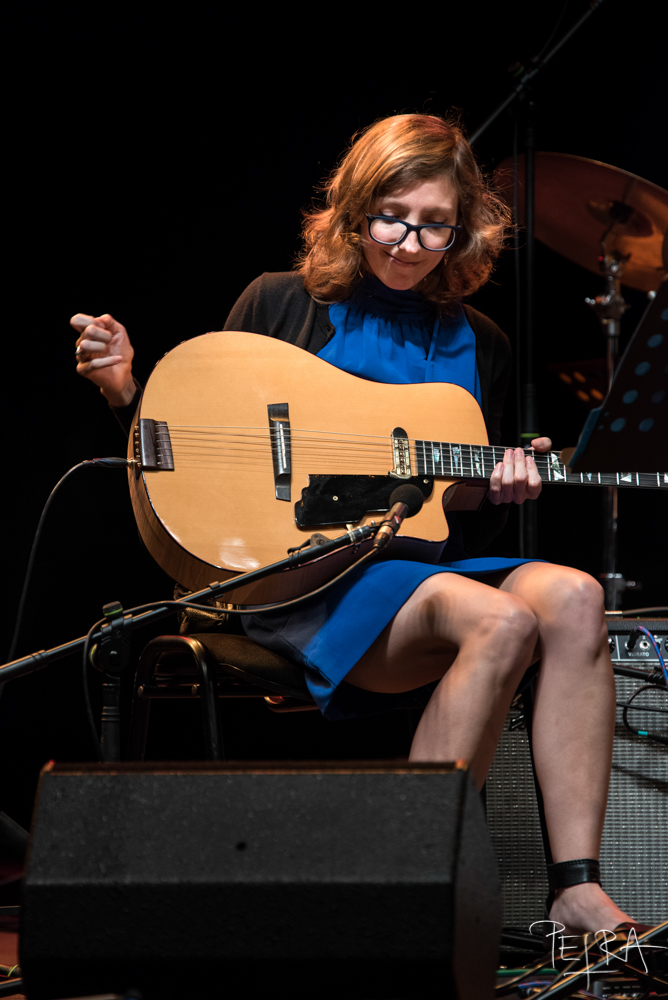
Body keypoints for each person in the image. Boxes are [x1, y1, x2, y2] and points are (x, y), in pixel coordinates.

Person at [70, 113, 640, 937]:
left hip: (409, 572)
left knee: (576, 596)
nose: (410, 243)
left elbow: (452, 500)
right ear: (354, 209)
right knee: (500, 616)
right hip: (301, 585)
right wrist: (126, 393)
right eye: (392, 217)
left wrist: (505, 481)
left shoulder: (480, 341)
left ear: (464, 228)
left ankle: (576, 885)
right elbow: (202, 458)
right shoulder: (279, 302)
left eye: (435, 225)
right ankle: (403, 883)